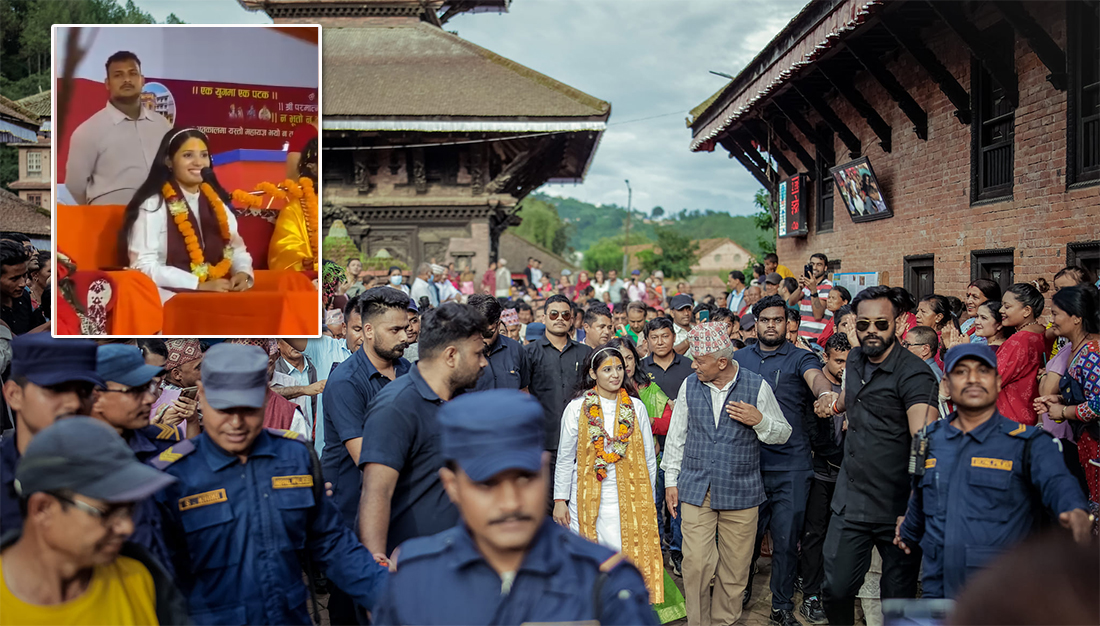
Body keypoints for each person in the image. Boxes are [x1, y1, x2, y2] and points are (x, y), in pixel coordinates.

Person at [373, 390, 659, 625]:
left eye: (525, 478)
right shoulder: (415, 581)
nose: (511, 502)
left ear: (545, 472)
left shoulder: (604, 582)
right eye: (486, 484)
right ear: (452, 486)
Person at [149, 343, 388, 623]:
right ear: (202, 394)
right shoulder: (174, 475)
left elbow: (331, 543)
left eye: (248, 408)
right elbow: (156, 577)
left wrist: (391, 596)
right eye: (223, 408)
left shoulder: (296, 458)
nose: (236, 422)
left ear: (266, 396)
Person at [896, 344, 1093, 599]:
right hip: (939, 590)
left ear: (998, 382)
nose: (973, 379)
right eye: (961, 372)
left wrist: (1075, 511)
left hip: (1000, 594)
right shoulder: (927, 440)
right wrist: (906, 532)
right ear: (946, 384)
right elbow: (921, 498)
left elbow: (1059, 484)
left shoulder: (1029, 443)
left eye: (983, 371)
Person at [813, 286, 939, 625]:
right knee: (835, 589)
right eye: (864, 324)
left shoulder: (916, 374)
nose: (872, 331)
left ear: (897, 325)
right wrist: (833, 404)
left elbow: (924, 442)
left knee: (895, 600)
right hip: (851, 499)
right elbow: (851, 395)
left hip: (896, 506)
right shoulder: (854, 360)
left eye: (881, 324)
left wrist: (915, 505)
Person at [662, 322, 791, 626]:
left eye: (699, 360)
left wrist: (760, 421)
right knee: (695, 565)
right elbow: (676, 436)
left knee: (735, 569)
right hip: (695, 487)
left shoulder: (756, 385)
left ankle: (724, 622)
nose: (693, 365)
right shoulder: (689, 385)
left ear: (722, 362)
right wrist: (671, 481)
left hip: (742, 491)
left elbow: (783, 433)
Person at [2, 418, 188, 626]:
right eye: (107, 512)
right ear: (42, 509)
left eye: (129, 510)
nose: (127, 527)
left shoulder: (141, 578)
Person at [358, 303, 488, 561]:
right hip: (411, 567)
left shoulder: (461, 401)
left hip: (455, 559)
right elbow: (377, 491)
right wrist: (376, 567)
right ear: (451, 356)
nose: (484, 363)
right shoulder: (397, 406)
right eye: (477, 354)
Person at [734, 295, 833, 626]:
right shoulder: (738, 359)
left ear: (788, 324)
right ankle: (739, 592)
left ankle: (781, 606)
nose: (771, 325)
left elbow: (816, 378)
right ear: (756, 323)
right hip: (747, 464)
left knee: (787, 541)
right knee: (743, 539)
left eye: (778, 320)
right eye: (765, 320)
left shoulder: (801, 358)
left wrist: (825, 394)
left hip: (791, 465)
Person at [553, 345, 662, 603]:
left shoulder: (635, 407)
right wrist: (560, 500)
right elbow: (566, 457)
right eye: (607, 369)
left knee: (627, 555)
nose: (615, 374)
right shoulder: (577, 408)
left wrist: (650, 499)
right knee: (594, 555)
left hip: (632, 496)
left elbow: (649, 456)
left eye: (620, 368)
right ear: (593, 374)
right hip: (587, 497)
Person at [120, 128, 253, 302]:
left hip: (214, 291)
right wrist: (196, 285)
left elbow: (236, 249)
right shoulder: (153, 204)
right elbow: (143, 265)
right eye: (188, 155)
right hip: (166, 294)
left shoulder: (216, 203)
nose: (198, 163)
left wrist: (242, 273)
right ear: (169, 161)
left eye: (204, 155)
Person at [323, 287, 412, 532]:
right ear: (369, 331)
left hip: (398, 502)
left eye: (405, 328)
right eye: (395, 330)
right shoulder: (346, 381)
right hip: (351, 512)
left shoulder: (408, 370)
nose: (405, 337)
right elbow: (365, 457)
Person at [0, 334, 103, 536]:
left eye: (84, 391)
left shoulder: (114, 473)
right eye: (56, 389)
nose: (74, 403)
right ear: (14, 395)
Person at [65, 51, 173, 205]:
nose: (127, 80)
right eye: (118, 75)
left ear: (142, 80)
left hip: (161, 218)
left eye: (132, 73)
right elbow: (75, 188)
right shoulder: (88, 131)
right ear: (107, 83)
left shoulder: (162, 125)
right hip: (108, 221)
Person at [799, 332, 851, 624]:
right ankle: (811, 593)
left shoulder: (856, 386)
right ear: (826, 359)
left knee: (840, 536)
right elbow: (811, 429)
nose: (843, 366)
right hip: (821, 472)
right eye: (838, 361)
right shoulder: (815, 390)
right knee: (814, 534)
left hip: (848, 475)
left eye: (848, 361)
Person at [1033, 285, 1100, 504]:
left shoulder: (1092, 351)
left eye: (1055, 314)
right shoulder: (1075, 348)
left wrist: (1063, 410)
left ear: (1077, 317)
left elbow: (1097, 404)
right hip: (1086, 443)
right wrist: (1060, 399)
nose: (1052, 321)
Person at [286, 294, 364, 457]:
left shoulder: (387, 360)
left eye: (369, 329)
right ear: (344, 328)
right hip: (329, 456)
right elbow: (284, 330)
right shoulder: (325, 347)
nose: (364, 337)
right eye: (357, 329)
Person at [526, 295, 594, 470]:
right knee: (546, 496)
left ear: (572, 319)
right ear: (544, 317)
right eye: (554, 314)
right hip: (543, 441)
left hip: (581, 439)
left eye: (565, 315)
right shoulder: (528, 353)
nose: (559, 319)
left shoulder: (585, 352)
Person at [995, 281, 1050, 425]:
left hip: (1010, 416)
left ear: (1026, 311)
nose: (1001, 310)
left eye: (1007, 306)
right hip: (1032, 412)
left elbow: (993, 378)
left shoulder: (1019, 340)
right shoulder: (1043, 332)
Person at [468, 294, 530, 391]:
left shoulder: (515, 349)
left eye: (487, 333)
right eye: (476, 332)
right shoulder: (459, 353)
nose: (481, 338)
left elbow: (524, 390)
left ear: (498, 324)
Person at [271, 338, 322, 439]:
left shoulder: (318, 366)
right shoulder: (272, 374)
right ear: (278, 344)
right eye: (291, 340)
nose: (296, 344)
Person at [1, 241, 48, 335]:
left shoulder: (23, 297)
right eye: (14, 279)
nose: (23, 283)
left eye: (24, 275)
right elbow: (16, 343)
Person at [797, 253, 833, 344]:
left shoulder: (827, 286)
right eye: (812, 264)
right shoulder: (807, 285)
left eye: (819, 264)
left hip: (816, 339)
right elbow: (791, 301)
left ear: (825, 268)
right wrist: (800, 287)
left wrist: (813, 290)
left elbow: (818, 315)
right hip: (802, 337)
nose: (815, 267)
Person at [960, 279, 1002, 344]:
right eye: (968, 296)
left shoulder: (989, 331)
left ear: (990, 301)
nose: (968, 301)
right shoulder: (969, 322)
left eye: (975, 297)